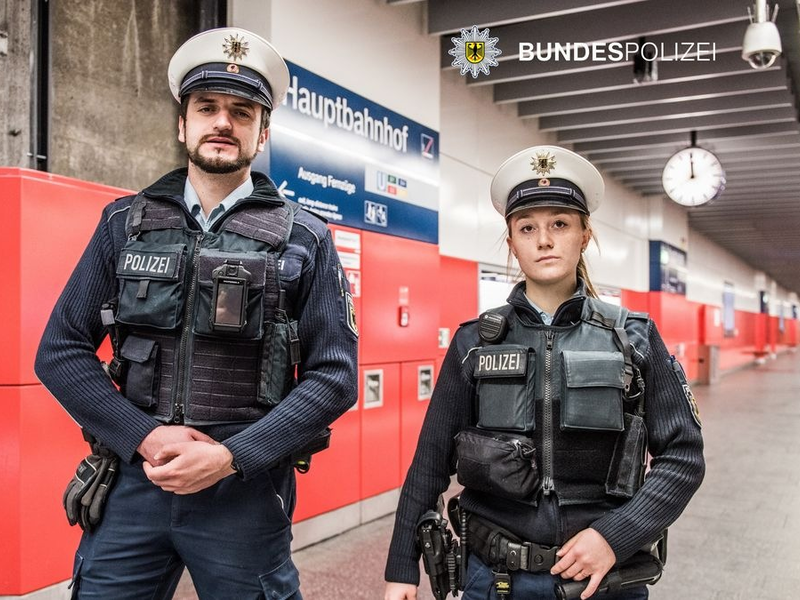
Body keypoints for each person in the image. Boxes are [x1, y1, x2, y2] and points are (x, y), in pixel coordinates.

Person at [35, 27, 358, 599]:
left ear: (263, 132)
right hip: (134, 482)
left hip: (243, 493)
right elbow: (59, 352)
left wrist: (232, 457)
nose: (222, 122)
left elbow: (335, 376)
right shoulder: (123, 223)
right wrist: (143, 437)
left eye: (242, 112)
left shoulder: (304, 237)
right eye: (206, 107)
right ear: (182, 124)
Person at [384, 146, 705, 600]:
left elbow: (684, 456)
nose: (544, 240)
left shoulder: (633, 338)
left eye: (560, 224)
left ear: (584, 235)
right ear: (511, 242)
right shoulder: (475, 343)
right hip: (496, 581)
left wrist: (615, 536)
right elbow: (430, 462)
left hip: (603, 582)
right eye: (527, 227)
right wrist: (401, 568)